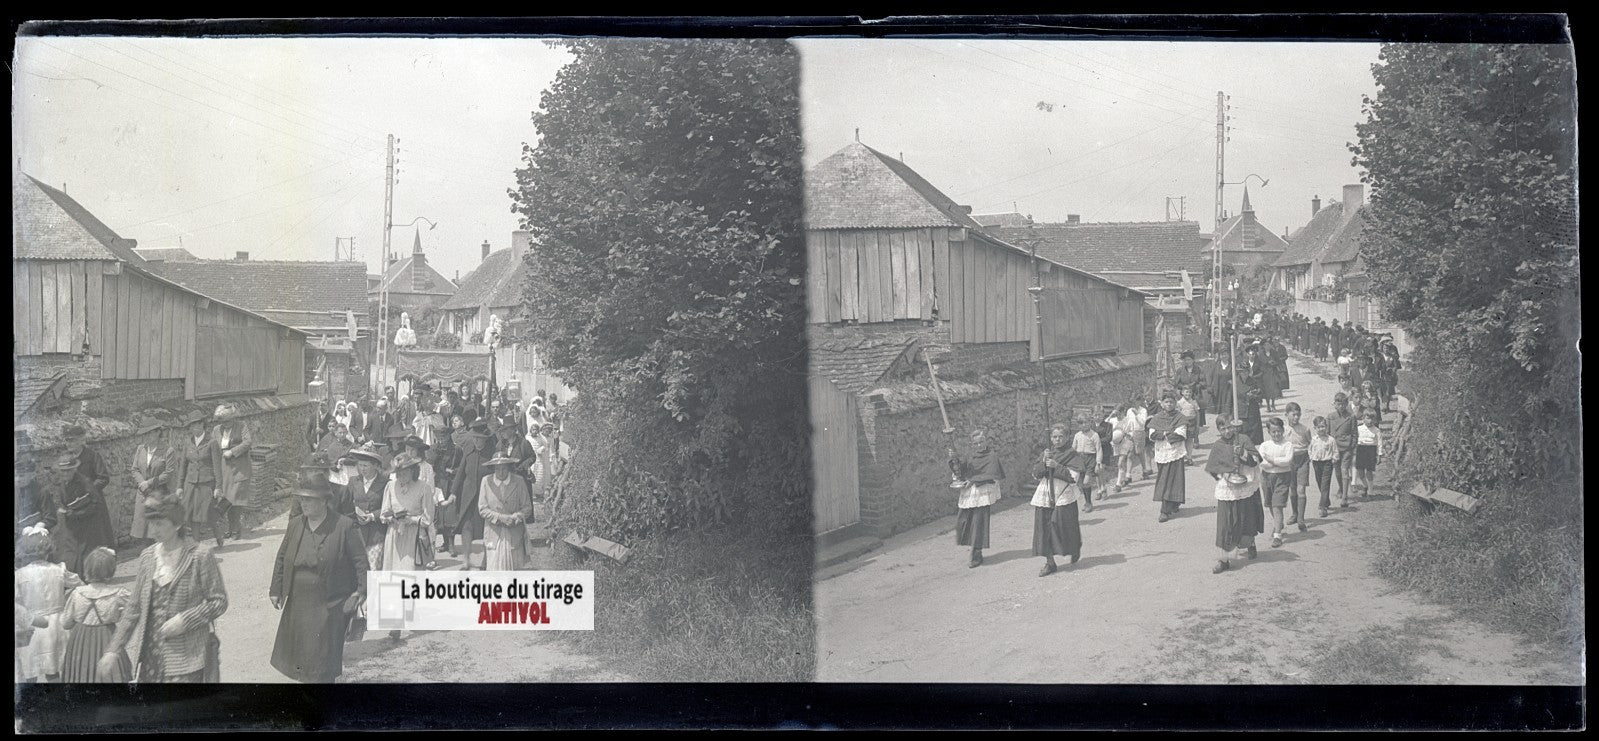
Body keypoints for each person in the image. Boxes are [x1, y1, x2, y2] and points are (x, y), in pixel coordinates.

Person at [100, 502, 228, 683]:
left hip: (187, 659)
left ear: (177, 524)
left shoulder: (200, 555)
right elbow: (133, 608)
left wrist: (184, 620)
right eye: (151, 523)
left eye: (159, 524)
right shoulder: (148, 556)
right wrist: (113, 650)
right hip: (151, 657)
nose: (153, 529)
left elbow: (219, 601)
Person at [270, 466, 368, 683]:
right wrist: (276, 589)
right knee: (301, 656)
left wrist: (362, 591)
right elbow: (282, 557)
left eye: (309, 499)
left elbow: (361, 561)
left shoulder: (344, 526)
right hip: (298, 601)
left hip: (330, 601)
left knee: (323, 659)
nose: (303, 503)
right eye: (302, 499)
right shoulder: (296, 525)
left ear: (324, 501)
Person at [15, 528, 83, 682]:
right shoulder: (58, 569)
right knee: (54, 669)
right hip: (57, 626)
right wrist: (66, 599)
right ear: (47, 552)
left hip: (32, 626)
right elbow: (79, 586)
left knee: (30, 671)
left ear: (24, 553)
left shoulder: (19, 575)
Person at [60, 546, 130, 683]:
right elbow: (136, 607)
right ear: (111, 570)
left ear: (87, 569)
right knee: (112, 676)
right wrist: (120, 613)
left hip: (80, 640)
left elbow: (66, 623)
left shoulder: (77, 593)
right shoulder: (118, 593)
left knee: (81, 675)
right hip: (107, 636)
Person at [42, 452, 116, 579]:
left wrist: (76, 512)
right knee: (68, 554)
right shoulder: (63, 483)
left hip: (87, 526)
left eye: (68, 471)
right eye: (63, 471)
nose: (65, 474)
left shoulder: (85, 482)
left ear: (74, 469)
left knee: (85, 556)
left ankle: (87, 580)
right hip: (72, 526)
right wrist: (64, 509)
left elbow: (97, 505)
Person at [1206, 418, 1265, 574]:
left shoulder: (1243, 439)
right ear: (1218, 430)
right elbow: (1212, 468)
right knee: (1225, 524)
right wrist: (1224, 476)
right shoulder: (1218, 445)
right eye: (1223, 429)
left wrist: (1243, 453)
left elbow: (1256, 460)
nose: (1227, 431)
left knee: (1246, 519)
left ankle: (1250, 543)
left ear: (1234, 426)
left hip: (1245, 485)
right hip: (1227, 488)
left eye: (1229, 427)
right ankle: (1223, 560)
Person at [1030, 423, 1082, 577]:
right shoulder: (1047, 453)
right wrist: (1043, 461)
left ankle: (1074, 547)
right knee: (1044, 526)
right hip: (1046, 492)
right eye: (1054, 437)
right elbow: (1036, 474)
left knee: (1063, 526)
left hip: (1063, 492)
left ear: (1067, 438)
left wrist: (1056, 466)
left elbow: (1073, 477)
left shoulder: (1072, 454)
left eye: (1061, 437)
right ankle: (1050, 562)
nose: (1057, 440)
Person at [949, 427, 1004, 569]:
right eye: (976, 443)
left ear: (986, 441)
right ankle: (973, 547)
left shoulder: (992, 456)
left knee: (979, 522)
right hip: (969, 491)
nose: (979, 445)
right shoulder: (970, 456)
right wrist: (954, 459)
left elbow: (992, 474)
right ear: (972, 444)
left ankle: (976, 552)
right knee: (963, 521)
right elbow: (961, 471)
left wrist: (973, 481)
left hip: (983, 490)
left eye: (981, 442)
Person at [442, 418, 492, 560]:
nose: (476, 441)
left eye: (479, 438)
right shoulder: (469, 449)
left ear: (485, 438)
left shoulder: (492, 452)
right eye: (474, 438)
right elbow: (460, 472)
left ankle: (486, 559)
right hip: (468, 495)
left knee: (486, 528)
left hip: (486, 495)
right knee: (466, 526)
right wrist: (453, 493)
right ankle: (466, 560)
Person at [380, 451, 436, 573]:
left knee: (410, 570)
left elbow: (428, 518)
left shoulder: (423, 487)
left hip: (414, 535)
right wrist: (391, 518)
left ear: (413, 471)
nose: (401, 475)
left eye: (405, 471)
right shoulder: (390, 486)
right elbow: (384, 512)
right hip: (394, 534)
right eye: (398, 472)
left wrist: (411, 520)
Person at [478, 455, 534, 571]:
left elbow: (527, 507)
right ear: (493, 468)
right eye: (497, 469)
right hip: (494, 532)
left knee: (514, 570)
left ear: (509, 467)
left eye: (504, 468)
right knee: (494, 569)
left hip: (514, 532)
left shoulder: (518, 481)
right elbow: (482, 509)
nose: (501, 472)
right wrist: (500, 517)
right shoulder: (486, 481)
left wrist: (516, 517)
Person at [174, 417, 223, 548]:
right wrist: (179, 486)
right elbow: (183, 467)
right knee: (192, 513)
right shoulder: (188, 443)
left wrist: (218, 487)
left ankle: (218, 534)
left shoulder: (212, 442)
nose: (194, 427)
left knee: (208, 512)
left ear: (203, 424)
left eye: (197, 424)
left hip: (207, 483)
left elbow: (217, 466)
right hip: (190, 484)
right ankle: (196, 544)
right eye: (192, 425)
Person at [343, 444, 390, 572]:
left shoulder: (386, 483)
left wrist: (372, 516)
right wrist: (355, 511)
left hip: (376, 533)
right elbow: (346, 504)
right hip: (356, 533)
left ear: (375, 466)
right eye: (360, 465)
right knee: (357, 570)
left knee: (373, 569)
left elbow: (388, 507)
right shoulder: (353, 481)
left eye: (366, 466)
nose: (362, 469)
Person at [127, 425, 178, 542]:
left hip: (159, 494)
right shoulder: (141, 449)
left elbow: (169, 473)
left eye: (150, 433)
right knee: (142, 530)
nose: (147, 436)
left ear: (158, 432)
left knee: (157, 530)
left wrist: (149, 483)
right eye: (145, 433)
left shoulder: (168, 450)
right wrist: (142, 484)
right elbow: (135, 469)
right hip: (143, 494)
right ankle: (147, 552)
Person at [211, 403, 253, 541]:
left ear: (233, 418)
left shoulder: (241, 426)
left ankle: (236, 529)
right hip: (224, 469)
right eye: (223, 421)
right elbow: (212, 446)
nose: (226, 424)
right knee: (227, 500)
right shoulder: (216, 430)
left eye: (228, 420)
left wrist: (233, 451)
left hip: (239, 468)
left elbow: (247, 442)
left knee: (235, 501)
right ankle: (231, 528)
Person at [1148, 391, 1188, 523]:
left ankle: (1165, 509)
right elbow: (1152, 434)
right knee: (1164, 479)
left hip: (1175, 452)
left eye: (1171, 402)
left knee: (1175, 479)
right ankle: (1171, 504)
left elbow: (1180, 434)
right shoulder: (1157, 418)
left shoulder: (1180, 417)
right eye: (1166, 402)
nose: (1169, 404)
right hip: (1162, 452)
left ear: (1175, 403)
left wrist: (1164, 434)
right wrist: (1167, 433)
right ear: (1162, 403)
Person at [1257, 418, 1297, 548]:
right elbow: (1260, 461)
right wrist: (1274, 462)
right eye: (1273, 432)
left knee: (1277, 505)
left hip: (1282, 477)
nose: (1276, 434)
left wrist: (1272, 460)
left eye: (1279, 431)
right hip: (1267, 477)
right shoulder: (1265, 445)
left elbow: (1287, 461)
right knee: (1270, 503)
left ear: (1283, 430)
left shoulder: (1288, 445)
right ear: (1269, 432)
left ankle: (1277, 535)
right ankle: (1278, 523)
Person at [1283, 403, 1312, 530]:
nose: (1296, 417)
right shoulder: (1283, 430)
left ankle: (1301, 519)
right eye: (1293, 415)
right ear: (1286, 415)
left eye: (1298, 415)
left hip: (1303, 460)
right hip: (1289, 461)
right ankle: (1294, 514)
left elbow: (1311, 444)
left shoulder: (1305, 429)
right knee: (1292, 489)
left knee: (1301, 490)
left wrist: (1311, 456)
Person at [1328, 393, 1358, 507]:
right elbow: (1327, 433)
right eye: (1338, 404)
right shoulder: (1330, 417)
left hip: (1346, 448)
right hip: (1335, 448)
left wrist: (1352, 445)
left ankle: (1345, 497)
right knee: (1337, 471)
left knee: (1344, 470)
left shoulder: (1351, 417)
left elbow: (1354, 433)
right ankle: (1341, 488)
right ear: (1335, 404)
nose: (1341, 406)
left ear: (1346, 404)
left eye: (1343, 404)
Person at [1068, 417, 1102, 513]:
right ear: (1078, 425)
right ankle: (1087, 502)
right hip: (1080, 460)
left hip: (1090, 459)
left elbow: (1099, 449)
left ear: (1090, 423)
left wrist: (1098, 463)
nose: (1084, 425)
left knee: (1086, 482)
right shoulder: (1077, 435)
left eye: (1086, 422)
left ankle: (1089, 503)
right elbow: (1073, 449)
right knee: (1082, 483)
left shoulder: (1094, 435)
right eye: (1081, 423)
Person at [1355, 411, 1384, 499]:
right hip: (1360, 450)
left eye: (1372, 419)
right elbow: (1355, 440)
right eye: (1368, 418)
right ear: (1363, 419)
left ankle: (1370, 492)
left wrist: (1379, 455)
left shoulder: (1377, 430)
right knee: (1360, 471)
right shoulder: (1359, 429)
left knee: (1369, 471)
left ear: (1375, 420)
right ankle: (1365, 485)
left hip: (1371, 450)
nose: (1370, 421)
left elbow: (1380, 443)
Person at [1177, 386, 1202, 461]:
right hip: (1182, 423)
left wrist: (1197, 424)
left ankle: (1189, 457)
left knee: (1190, 440)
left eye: (1190, 392)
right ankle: (1183, 456)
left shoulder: (1193, 402)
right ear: (1182, 392)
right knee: (1182, 440)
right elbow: (1177, 414)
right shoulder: (1179, 403)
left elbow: (1197, 413)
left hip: (1192, 423)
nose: (1188, 394)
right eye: (1186, 392)